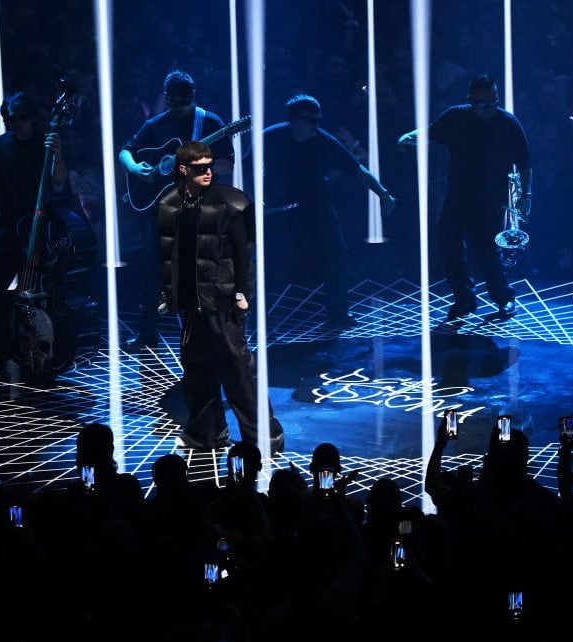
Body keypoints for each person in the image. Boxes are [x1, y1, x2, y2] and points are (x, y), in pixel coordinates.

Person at [157, 141, 284, 454]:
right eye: (199, 168)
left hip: (223, 299)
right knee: (197, 370)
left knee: (238, 370)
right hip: (191, 303)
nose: (207, 173)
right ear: (183, 169)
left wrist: (242, 292)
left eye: (210, 166)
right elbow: (168, 254)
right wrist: (168, 291)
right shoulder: (169, 205)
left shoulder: (231, 203)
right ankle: (206, 433)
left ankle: (264, 437)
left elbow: (244, 253)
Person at [398, 73, 532, 320]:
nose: (485, 109)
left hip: (491, 198)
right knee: (449, 243)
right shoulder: (456, 117)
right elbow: (431, 132)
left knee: (487, 248)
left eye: (491, 103)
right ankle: (464, 300)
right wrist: (410, 137)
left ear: (497, 98)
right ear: (470, 99)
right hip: (458, 194)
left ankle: (504, 298)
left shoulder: (508, 124)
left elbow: (524, 164)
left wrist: (526, 196)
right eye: (480, 104)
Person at [119, 70, 235, 350]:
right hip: (160, 206)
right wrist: (136, 168)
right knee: (152, 270)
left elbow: (227, 166)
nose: (179, 107)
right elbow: (125, 151)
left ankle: (203, 334)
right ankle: (147, 333)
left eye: (184, 101)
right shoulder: (157, 124)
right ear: (167, 98)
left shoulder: (209, 122)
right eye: (174, 101)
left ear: (193, 96)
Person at [261, 94, 396, 328]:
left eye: (318, 120)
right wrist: (256, 200)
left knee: (336, 257)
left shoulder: (324, 141)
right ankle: (265, 317)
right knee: (276, 260)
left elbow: (358, 170)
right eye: (310, 120)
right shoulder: (271, 138)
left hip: (317, 206)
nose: (316, 125)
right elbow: (247, 168)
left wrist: (383, 193)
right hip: (279, 210)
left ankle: (338, 315)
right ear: (294, 120)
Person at [0, 91, 69, 370]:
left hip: (40, 226)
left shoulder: (45, 143)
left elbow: (59, 183)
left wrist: (57, 153)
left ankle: (47, 347)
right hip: (9, 226)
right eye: (8, 119)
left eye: (19, 118)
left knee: (44, 289)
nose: (13, 124)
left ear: (30, 118)